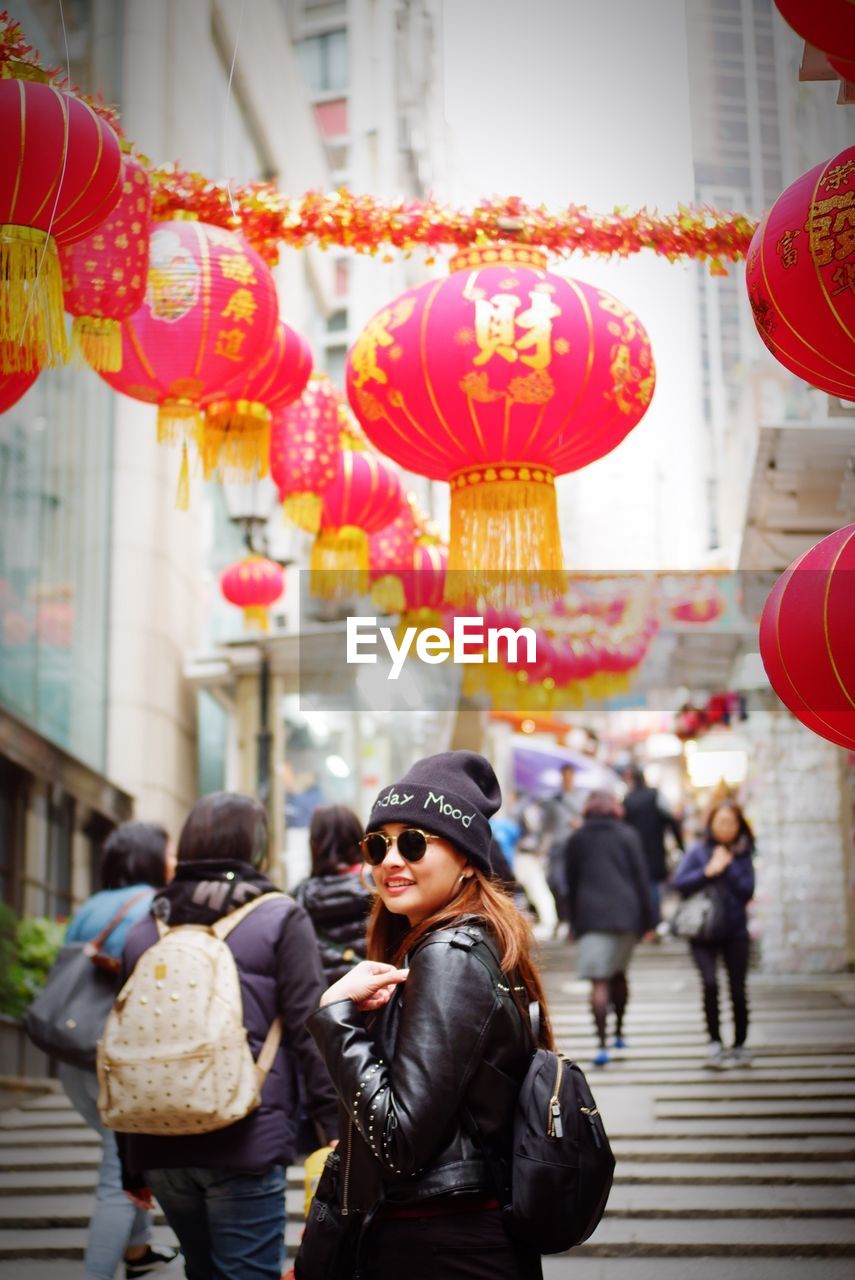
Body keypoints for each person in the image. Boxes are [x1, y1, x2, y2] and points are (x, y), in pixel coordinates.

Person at [303, 750, 552, 1280]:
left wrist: (336, 1017)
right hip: (451, 1239)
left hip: (442, 1247)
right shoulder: (464, 944)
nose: (391, 860)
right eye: (378, 844)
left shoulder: (448, 955)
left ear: (466, 859)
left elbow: (399, 1138)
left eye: (414, 842)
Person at [119, 792, 339, 1280]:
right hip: (246, 1134)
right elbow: (310, 1028)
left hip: (157, 1139)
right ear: (256, 845)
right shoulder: (278, 917)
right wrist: (334, 1127)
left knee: (202, 1270)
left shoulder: (145, 929)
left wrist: (128, 1160)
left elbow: (124, 1045)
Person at [58, 820, 179, 1280]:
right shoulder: (151, 907)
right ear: (149, 857)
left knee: (125, 1154)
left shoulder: (92, 905)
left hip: (76, 1057)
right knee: (117, 1174)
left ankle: (138, 1249)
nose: (174, 862)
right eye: (168, 852)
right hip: (120, 1060)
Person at [563, 791, 655, 1067]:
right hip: (627, 913)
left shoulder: (577, 839)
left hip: (591, 916)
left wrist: (570, 922)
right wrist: (650, 921)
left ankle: (602, 1045)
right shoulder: (628, 835)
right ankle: (619, 1033)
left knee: (598, 982)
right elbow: (642, 878)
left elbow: (568, 882)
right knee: (619, 974)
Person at [671, 801, 756, 1070]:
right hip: (702, 931)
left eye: (731, 822)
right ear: (711, 824)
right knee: (710, 984)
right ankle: (715, 1042)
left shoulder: (743, 854)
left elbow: (747, 891)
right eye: (720, 822)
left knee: (738, 989)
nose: (725, 828)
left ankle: (740, 1044)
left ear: (739, 825)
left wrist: (727, 866)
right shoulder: (698, 852)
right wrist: (709, 869)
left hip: (735, 930)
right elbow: (680, 884)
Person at [293, 804, 372, 982]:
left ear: (315, 844)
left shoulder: (301, 897)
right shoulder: (381, 887)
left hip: (327, 1001)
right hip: (377, 996)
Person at [622, 766, 684, 926]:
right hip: (655, 849)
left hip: (634, 851)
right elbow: (671, 820)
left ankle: (645, 923)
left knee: (641, 886)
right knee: (653, 886)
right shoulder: (655, 796)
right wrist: (680, 845)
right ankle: (654, 922)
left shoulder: (628, 800)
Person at [538, 763, 585, 928]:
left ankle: (572, 920)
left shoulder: (582, 797)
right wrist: (541, 847)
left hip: (577, 846)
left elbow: (588, 818)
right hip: (558, 846)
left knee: (574, 883)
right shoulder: (553, 800)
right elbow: (546, 826)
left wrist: (581, 823)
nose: (567, 778)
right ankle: (564, 918)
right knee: (555, 882)